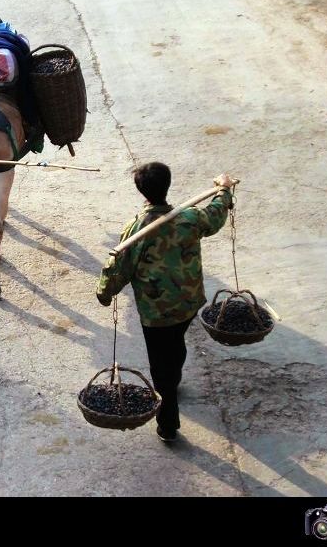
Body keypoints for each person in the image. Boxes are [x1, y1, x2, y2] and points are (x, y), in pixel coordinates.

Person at [96, 162, 236, 443]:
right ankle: (174, 378)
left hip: (156, 312)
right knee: (176, 345)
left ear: (142, 193)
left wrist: (105, 291)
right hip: (187, 303)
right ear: (168, 185)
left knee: (161, 369)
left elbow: (119, 268)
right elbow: (216, 214)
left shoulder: (136, 230)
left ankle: (168, 424)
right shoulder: (189, 218)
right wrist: (224, 189)